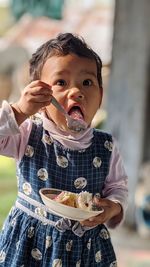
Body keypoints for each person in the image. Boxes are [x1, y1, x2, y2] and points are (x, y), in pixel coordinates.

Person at [0, 32, 128, 267]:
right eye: (61, 82)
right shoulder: (28, 132)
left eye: (87, 83)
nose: (76, 91)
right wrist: (19, 111)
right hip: (30, 245)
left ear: (100, 96)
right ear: (40, 95)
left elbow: (118, 187)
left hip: (87, 249)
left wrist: (113, 207)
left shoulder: (106, 146)